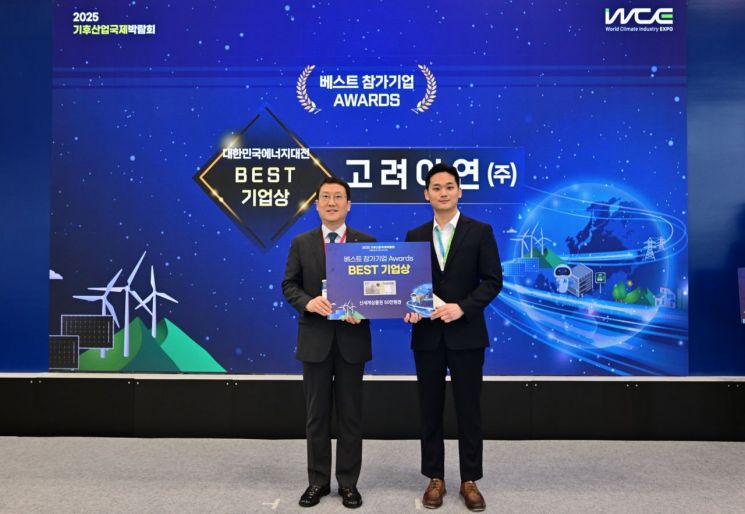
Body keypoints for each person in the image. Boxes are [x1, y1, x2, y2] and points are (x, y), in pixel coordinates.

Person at [403, 163, 502, 511]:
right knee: (430, 409)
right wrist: (409, 307)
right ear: (426, 194)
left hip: (467, 334)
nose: (443, 193)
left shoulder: (480, 231)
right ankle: (435, 478)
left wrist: (462, 308)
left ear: (459, 191)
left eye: (449, 187)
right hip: (427, 336)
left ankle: (469, 479)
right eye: (436, 187)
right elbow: (408, 285)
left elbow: (493, 281)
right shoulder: (415, 235)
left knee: (469, 409)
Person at [282, 176, 375, 509]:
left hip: (352, 341)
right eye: (325, 197)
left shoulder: (367, 243)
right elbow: (289, 285)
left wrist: (363, 309)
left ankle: (348, 483)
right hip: (315, 341)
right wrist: (308, 302)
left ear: (349, 205)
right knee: (316, 416)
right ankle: (318, 482)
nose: (332, 202)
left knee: (350, 416)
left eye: (338, 197)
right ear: (316, 205)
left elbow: (377, 289)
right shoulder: (301, 243)